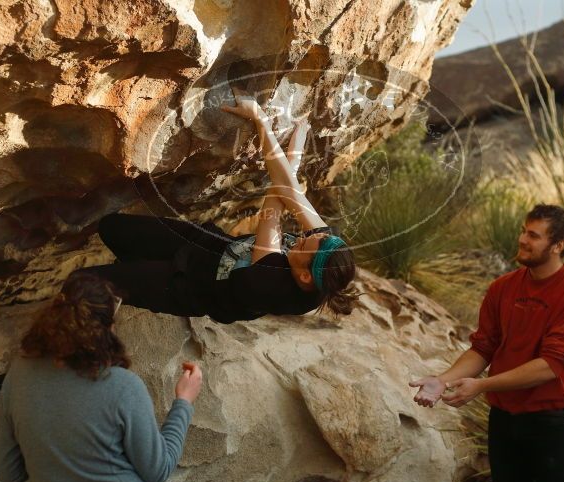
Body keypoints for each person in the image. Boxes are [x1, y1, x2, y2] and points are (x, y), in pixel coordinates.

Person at [80, 91, 359, 324]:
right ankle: (129, 274)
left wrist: (263, 124)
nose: (304, 236)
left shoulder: (270, 284)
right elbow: (288, 191)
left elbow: (274, 206)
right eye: (316, 234)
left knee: (85, 283)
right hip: (209, 247)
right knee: (111, 228)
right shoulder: (324, 249)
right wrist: (290, 164)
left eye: (303, 245)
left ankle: (104, 308)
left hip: (190, 286)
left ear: (305, 276)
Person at [409, 204, 564, 482]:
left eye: (533, 235)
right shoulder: (503, 288)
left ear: (559, 245)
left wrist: (482, 386)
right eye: (524, 230)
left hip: (552, 424)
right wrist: (443, 380)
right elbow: (483, 348)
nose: (522, 239)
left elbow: (550, 367)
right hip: (504, 423)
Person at [0, 272, 203, 482]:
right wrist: (183, 402)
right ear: (108, 329)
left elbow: (8, 471)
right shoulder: (122, 386)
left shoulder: (19, 378)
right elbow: (158, 471)